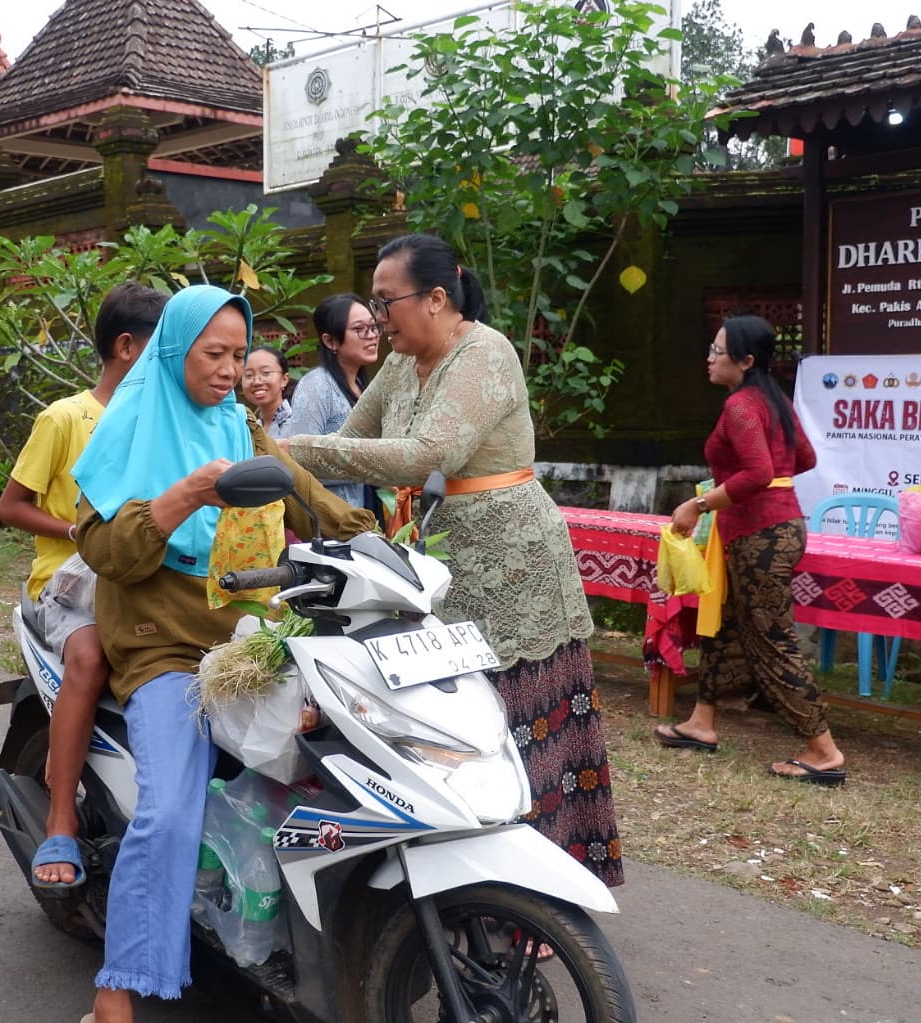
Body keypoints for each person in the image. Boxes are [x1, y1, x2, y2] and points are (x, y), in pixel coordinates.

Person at [70, 284, 377, 1023]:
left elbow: (293, 484)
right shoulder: (128, 424)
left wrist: (372, 540)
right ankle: (114, 996)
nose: (232, 371)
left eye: (241, 355)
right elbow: (106, 553)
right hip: (165, 647)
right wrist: (183, 499)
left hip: (251, 634)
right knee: (168, 809)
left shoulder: (236, 424)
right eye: (216, 354)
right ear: (174, 353)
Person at [283, 233, 624, 887]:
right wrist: (279, 463)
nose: (380, 320)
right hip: (437, 566)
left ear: (437, 298)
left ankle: (539, 889)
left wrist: (292, 446)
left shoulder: (484, 354)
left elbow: (422, 456)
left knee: (524, 728)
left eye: (387, 303)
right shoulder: (401, 364)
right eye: (375, 306)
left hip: (517, 570)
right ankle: (464, 883)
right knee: (452, 729)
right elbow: (348, 444)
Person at [0, 282, 166, 888]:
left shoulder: (164, 421)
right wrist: (77, 529)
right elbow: (10, 506)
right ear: (126, 347)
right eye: (161, 346)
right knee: (90, 659)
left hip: (141, 574)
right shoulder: (65, 418)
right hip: (70, 579)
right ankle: (62, 818)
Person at [655, 314, 847, 786]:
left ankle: (823, 750)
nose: (709, 358)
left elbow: (759, 473)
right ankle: (702, 721)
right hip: (774, 526)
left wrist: (699, 504)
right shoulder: (771, 399)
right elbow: (804, 458)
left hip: (761, 533)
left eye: (717, 351)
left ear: (745, 360)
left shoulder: (742, 406)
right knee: (726, 625)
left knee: (771, 639)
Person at [276, 293, 380, 510]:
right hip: (331, 522)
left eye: (374, 326)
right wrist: (367, 466)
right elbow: (297, 461)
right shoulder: (317, 386)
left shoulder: (363, 387)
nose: (372, 335)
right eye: (359, 329)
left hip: (364, 515)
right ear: (330, 340)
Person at [238, 345, 291, 435]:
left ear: (284, 380)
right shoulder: (245, 428)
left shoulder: (297, 422)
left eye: (266, 373)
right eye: (249, 375)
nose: (257, 382)